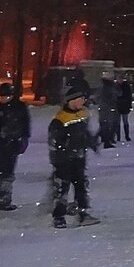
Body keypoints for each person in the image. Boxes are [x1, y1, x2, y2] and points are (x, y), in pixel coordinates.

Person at [48, 84, 101, 228]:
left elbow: (84, 133)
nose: (82, 102)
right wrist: (62, 153)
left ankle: (83, 213)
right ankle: (58, 216)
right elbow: (55, 141)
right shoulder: (60, 119)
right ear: (71, 101)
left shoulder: (83, 114)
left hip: (79, 157)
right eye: (80, 99)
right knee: (61, 188)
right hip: (64, 160)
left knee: (81, 186)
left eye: (83, 99)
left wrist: (92, 142)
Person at [0, 82, 30, 211]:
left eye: (7, 96)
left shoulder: (20, 108)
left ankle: (4, 201)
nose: (4, 99)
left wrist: (24, 138)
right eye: (2, 96)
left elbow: (25, 124)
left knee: (7, 174)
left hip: (13, 145)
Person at [97, 71, 119, 148]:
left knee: (105, 124)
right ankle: (106, 141)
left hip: (103, 108)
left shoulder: (103, 86)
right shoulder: (109, 87)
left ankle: (104, 139)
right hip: (108, 108)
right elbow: (115, 95)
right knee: (109, 125)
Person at [115, 76, 134, 143]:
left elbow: (129, 97)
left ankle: (126, 136)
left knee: (125, 121)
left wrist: (129, 105)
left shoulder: (126, 86)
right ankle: (118, 137)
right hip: (118, 106)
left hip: (124, 106)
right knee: (118, 122)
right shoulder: (116, 86)